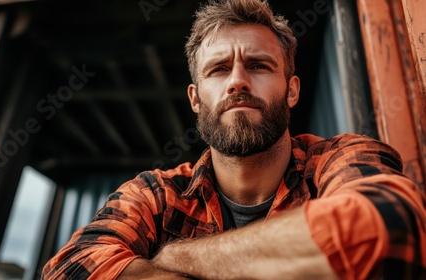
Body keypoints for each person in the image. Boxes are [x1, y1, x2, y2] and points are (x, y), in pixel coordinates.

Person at [42, 0, 426, 279]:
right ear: (195, 98)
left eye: (258, 65)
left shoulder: (339, 157)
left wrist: (173, 257)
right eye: (219, 69)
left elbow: (385, 226)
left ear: (292, 90)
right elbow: (70, 268)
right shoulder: (155, 195)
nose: (238, 81)